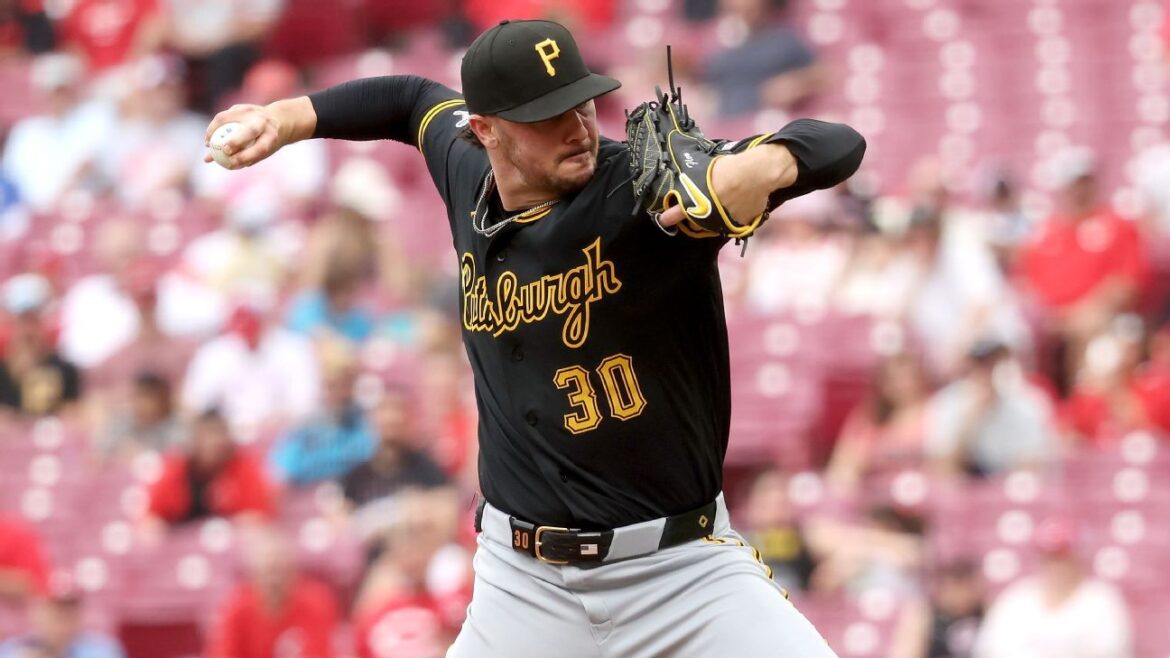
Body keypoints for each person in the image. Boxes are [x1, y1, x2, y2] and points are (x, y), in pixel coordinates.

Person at [204, 18, 863, 656]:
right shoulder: (465, 170)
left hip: (681, 572)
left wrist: (766, 165)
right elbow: (407, 99)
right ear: (484, 129)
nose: (577, 127)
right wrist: (285, 119)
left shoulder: (645, 188)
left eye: (582, 104)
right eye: (547, 115)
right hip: (525, 586)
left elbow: (839, 144)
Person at [974, 518, 1134, 658]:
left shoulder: (1101, 599)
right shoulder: (1017, 597)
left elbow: (1109, 651)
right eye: (1049, 558)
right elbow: (990, 649)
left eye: (1062, 557)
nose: (1056, 565)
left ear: (1077, 558)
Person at [924, 341, 1058, 479]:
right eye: (983, 364)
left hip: (1010, 486)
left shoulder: (1030, 403)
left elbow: (1034, 468)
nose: (989, 372)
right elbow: (943, 470)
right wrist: (973, 416)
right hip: (967, 487)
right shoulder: (948, 403)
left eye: (996, 363)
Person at [206, 527, 339, 658]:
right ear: (254, 575)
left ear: (294, 572)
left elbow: (321, 652)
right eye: (269, 571)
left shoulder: (316, 603)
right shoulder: (235, 608)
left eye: (281, 571)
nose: (275, 580)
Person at [145, 408, 274, 524]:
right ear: (195, 439)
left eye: (221, 433)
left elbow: (256, 516)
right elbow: (152, 517)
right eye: (209, 434)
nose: (216, 441)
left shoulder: (244, 466)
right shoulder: (177, 468)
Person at [0, 273, 82, 419]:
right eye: (21, 322)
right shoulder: (3, 373)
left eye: (33, 321)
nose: (27, 331)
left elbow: (74, 416)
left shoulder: (66, 371)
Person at [0, 576, 125, 658]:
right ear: (38, 613)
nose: (63, 620)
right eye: (56, 612)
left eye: (69, 612)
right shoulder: (12, 649)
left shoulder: (103, 649)